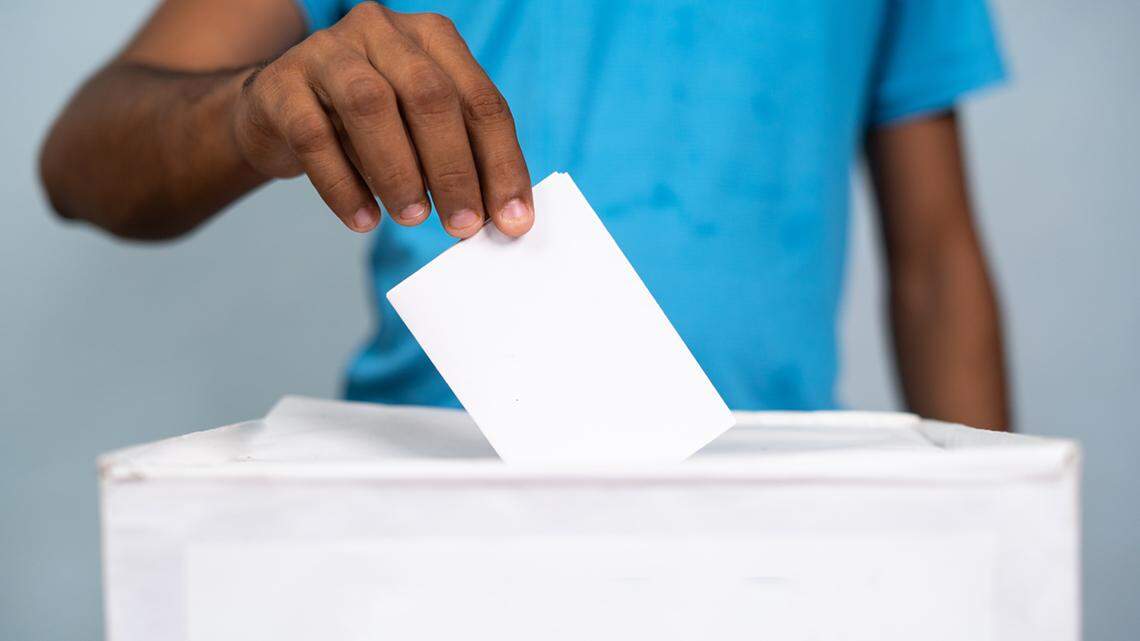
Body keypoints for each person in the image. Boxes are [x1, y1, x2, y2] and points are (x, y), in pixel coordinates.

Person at [39, 0, 1011, 429]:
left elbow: (935, 262)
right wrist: (252, 111)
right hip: (421, 507)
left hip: (765, 504)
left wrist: (1000, 561)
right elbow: (81, 160)